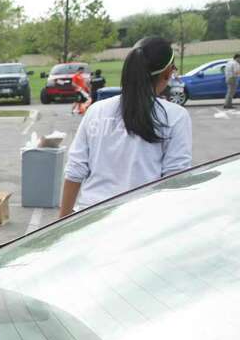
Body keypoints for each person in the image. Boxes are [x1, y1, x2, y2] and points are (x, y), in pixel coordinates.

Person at [59, 36, 192, 218]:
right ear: (167, 72)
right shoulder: (175, 116)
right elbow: (174, 179)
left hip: (89, 219)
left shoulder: (96, 111)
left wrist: (61, 226)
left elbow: (75, 171)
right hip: (140, 220)